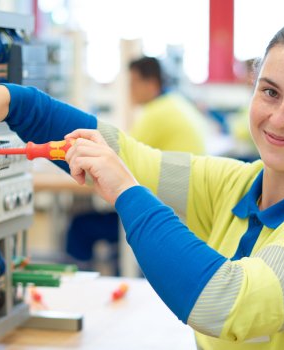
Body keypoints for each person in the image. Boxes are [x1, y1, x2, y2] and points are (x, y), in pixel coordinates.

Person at [0, 12, 284, 349]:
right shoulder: (237, 184)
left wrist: (125, 191)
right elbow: (132, 157)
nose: (280, 118)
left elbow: (223, 301)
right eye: (270, 92)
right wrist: (17, 103)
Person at [65, 56, 210, 270]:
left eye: (133, 84)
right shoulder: (177, 103)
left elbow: (118, 158)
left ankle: (80, 281)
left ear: (150, 84)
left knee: (80, 226)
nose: (130, 91)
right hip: (186, 209)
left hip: (166, 214)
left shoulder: (157, 113)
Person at [127, 56, 208, 154]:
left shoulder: (155, 113)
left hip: (183, 164)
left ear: (151, 84)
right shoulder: (176, 100)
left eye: (133, 83)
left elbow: (126, 153)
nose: (130, 89)